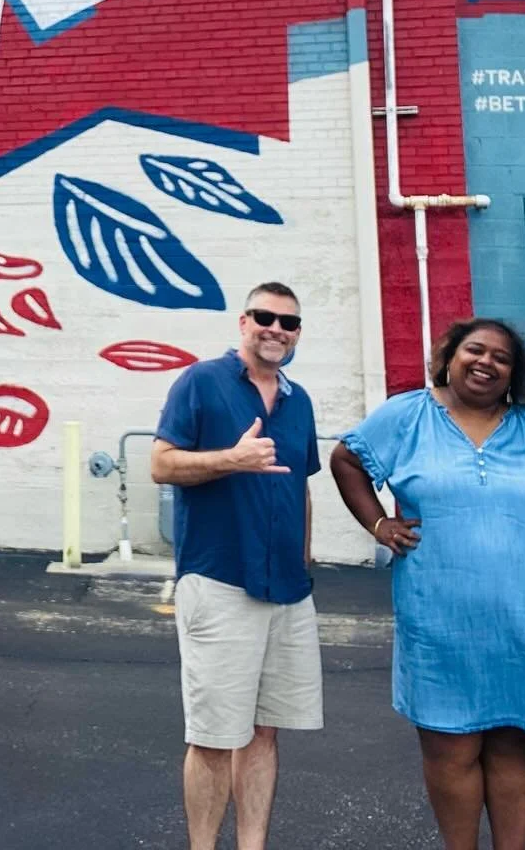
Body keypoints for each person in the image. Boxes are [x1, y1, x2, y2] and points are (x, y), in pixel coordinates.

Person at [330, 318, 525, 850]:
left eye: (502, 358)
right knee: (451, 750)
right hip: (440, 619)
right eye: (475, 350)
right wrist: (379, 523)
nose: (486, 362)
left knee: (514, 745)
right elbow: (346, 459)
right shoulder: (408, 415)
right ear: (450, 356)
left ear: (515, 373)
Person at [150, 281, 323, 850]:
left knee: (264, 732)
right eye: (265, 317)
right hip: (221, 579)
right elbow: (161, 465)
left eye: (289, 322)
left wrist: (304, 559)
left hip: (287, 589)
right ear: (243, 322)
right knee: (214, 736)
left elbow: (301, 487)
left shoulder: (299, 401)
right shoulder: (201, 382)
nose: (276, 329)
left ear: (297, 334)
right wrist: (232, 459)